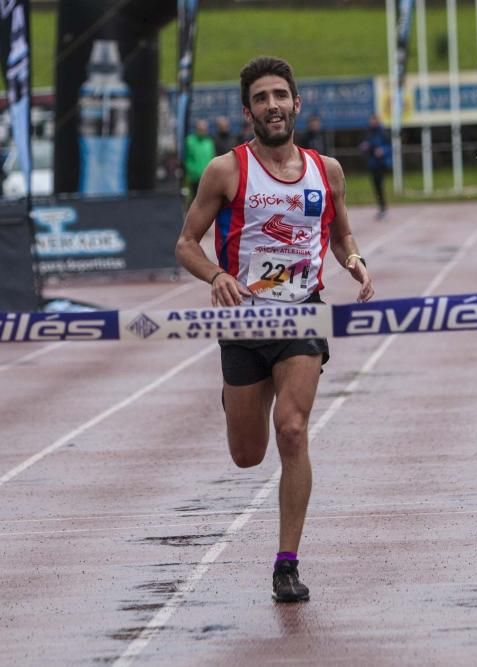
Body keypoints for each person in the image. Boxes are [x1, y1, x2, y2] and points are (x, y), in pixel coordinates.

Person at [175, 56, 374, 603]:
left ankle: (286, 563)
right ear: (248, 112)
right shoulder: (226, 170)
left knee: (292, 429)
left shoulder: (326, 170)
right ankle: (236, 395)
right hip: (243, 322)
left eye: (280, 96)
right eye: (261, 98)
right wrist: (216, 274)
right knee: (247, 454)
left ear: (296, 104)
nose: (273, 106)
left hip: (302, 314)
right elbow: (186, 243)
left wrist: (355, 261)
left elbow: (342, 236)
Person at [358, 113, 391, 219]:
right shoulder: (368, 132)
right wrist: (364, 147)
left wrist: (382, 151)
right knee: (376, 186)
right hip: (372, 164)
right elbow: (363, 145)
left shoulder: (383, 132)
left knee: (380, 185)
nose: (372, 122)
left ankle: (383, 207)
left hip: (381, 163)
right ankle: (381, 207)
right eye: (371, 120)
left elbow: (389, 146)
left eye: (374, 119)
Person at [183, 118, 215, 199]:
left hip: (207, 179)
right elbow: (186, 158)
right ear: (196, 129)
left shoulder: (209, 142)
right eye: (201, 129)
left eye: (205, 129)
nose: (203, 131)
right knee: (193, 200)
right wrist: (193, 171)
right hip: (194, 179)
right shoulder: (189, 141)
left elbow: (212, 158)